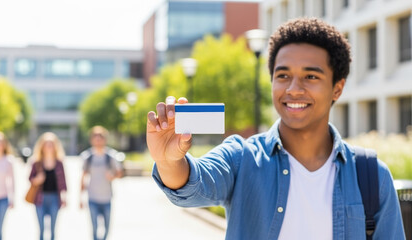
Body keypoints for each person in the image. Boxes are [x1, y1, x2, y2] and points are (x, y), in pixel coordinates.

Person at [146, 18, 405, 239]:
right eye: (283, 76)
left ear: (337, 87)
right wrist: (169, 162)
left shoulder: (371, 176)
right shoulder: (241, 158)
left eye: (311, 76)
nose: (293, 89)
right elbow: (195, 184)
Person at [79, 126, 124, 240]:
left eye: (101, 137)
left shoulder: (111, 156)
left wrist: (112, 176)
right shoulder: (87, 157)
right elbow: (83, 177)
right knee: (94, 228)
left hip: (107, 198)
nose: (98, 139)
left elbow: (120, 173)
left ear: (105, 139)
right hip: (92, 198)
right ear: (92, 139)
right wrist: (80, 198)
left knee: (107, 228)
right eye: (95, 137)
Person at [28, 132, 67, 240]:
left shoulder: (59, 163)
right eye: (46, 144)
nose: (49, 147)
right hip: (40, 198)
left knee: (53, 229)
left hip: (55, 198)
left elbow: (63, 182)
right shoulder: (36, 162)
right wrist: (37, 180)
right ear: (42, 146)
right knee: (41, 229)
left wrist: (64, 197)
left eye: (51, 144)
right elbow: (30, 179)